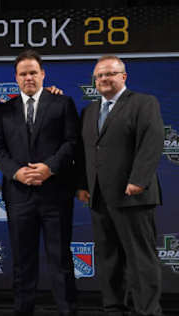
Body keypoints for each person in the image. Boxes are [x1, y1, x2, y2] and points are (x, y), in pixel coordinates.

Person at [0, 50, 78, 316]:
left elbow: (72, 143)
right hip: (19, 197)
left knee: (60, 260)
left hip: (55, 196)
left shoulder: (62, 103)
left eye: (33, 72)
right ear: (16, 78)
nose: (28, 77)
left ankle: (67, 311)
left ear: (43, 74)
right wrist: (16, 172)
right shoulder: (3, 110)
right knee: (22, 262)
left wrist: (50, 168)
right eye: (23, 73)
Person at [76, 55, 164, 316]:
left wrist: (138, 179)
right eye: (100, 75)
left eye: (110, 74)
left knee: (140, 259)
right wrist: (83, 185)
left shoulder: (143, 103)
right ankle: (114, 307)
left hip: (133, 197)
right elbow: (85, 153)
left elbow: (152, 142)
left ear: (123, 77)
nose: (104, 79)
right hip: (99, 198)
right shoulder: (89, 111)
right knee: (108, 259)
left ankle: (148, 310)